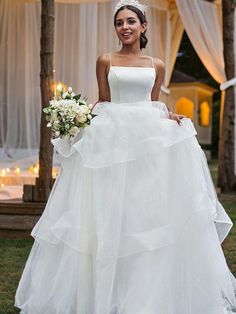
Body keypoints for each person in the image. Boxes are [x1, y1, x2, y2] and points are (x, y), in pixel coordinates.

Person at [15, 0, 236, 313]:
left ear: (143, 26)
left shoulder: (157, 64)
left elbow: (154, 102)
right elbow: (104, 100)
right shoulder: (105, 59)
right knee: (110, 210)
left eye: (131, 21)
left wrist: (168, 116)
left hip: (146, 138)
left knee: (145, 210)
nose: (125, 27)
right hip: (112, 135)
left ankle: (145, 285)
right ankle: (108, 285)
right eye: (120, 22)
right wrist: (78, 120)